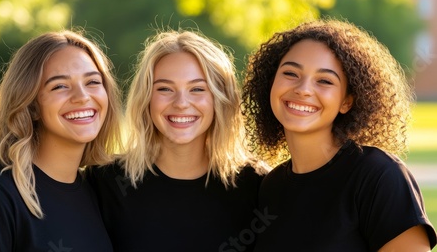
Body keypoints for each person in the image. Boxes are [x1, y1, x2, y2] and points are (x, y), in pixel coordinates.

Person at [241, 19, 437, 251]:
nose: (303, 89)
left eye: (324, 80)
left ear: (346, 101)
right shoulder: (270, 187)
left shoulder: (379, 177)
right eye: (291, 73)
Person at [86, 29, 268, 252]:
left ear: (220, 99)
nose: (181, 102)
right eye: (164, 88)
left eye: (197, 89)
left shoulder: (259, 186)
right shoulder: (104, 183)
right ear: (146, 99)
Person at [0, 30, 123, 251]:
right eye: (60, 86)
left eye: (92, 82)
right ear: (31, 106)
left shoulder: (99, 192)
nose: (82, 96)